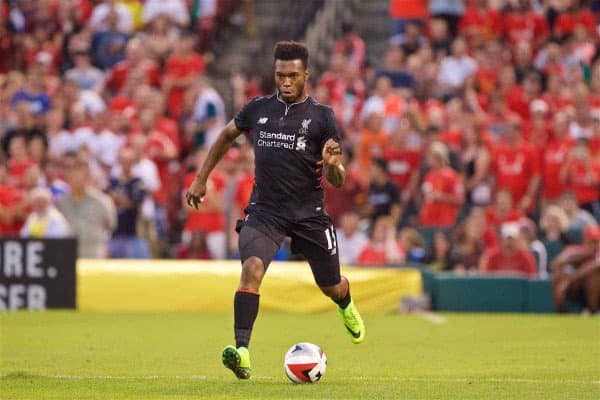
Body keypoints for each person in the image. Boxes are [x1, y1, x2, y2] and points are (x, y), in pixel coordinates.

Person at [185, 41, 365, 380]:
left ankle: (345, 304)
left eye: (293, 76)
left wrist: (332, 165)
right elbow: (226, 136)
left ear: (306, 75)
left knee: (331, 286)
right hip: (265, 211)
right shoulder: (258, 108)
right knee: (251, 269)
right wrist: (201, 178)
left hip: (308, 213)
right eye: (281, 75)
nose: (285, 82)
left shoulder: (322, 117)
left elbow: (337, 179)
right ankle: (242, 352)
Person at [551, 225, 600, 313]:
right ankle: (560, 312)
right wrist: (581, 256)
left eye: (596, 242)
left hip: (596, 292)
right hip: (577, 291)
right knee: (559, 274)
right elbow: (555, 264)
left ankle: (593, 312)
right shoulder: (575, 250)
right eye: (591, 241)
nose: (594, 245)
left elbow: (595, 266)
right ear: (585, 240)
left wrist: (568, 281)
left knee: (593, 277)